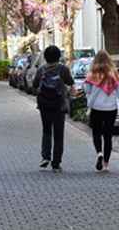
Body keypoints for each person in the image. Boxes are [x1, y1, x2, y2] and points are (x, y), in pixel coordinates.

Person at [84, 50, 119, 172]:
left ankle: (99, 153)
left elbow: (87, 89)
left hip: (96, 107)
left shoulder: (92, 73)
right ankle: (106, 164)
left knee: (96, 133)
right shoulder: (114, 74)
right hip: (111, 108)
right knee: (108, 136)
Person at [33, 45, 74, 173]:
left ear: (45, 57)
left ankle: (45, 157)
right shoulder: (63, 69)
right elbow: (70, 83)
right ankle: (56, 163)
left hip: (44, 104)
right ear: (58, 56)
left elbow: (34, 85)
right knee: (58, 133)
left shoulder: (41, 69)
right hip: (59, 104)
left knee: (46, 130)